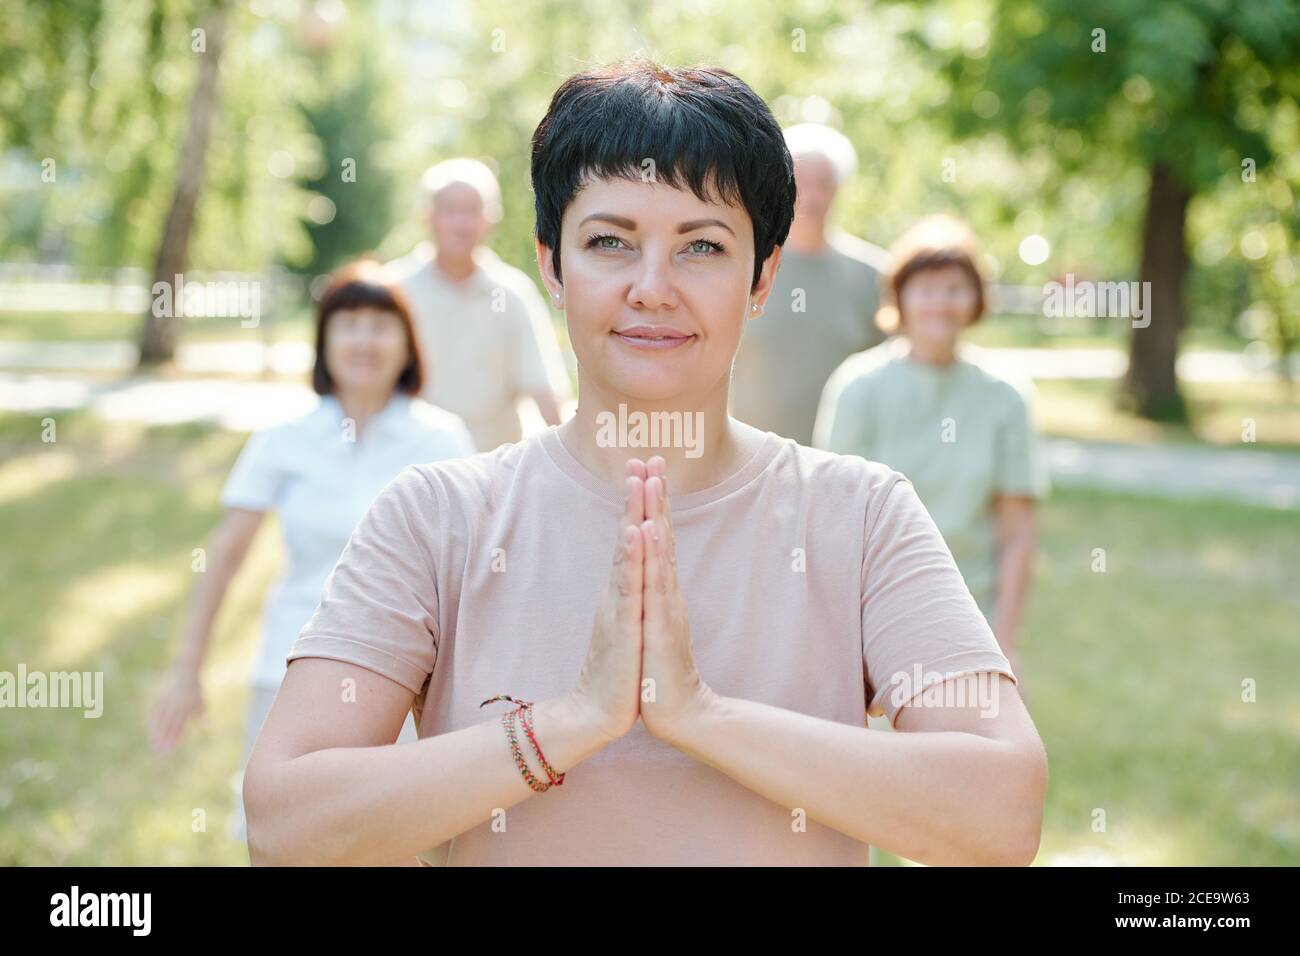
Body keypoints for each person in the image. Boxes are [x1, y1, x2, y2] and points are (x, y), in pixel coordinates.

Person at [244, 60, 1047, 867]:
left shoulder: (860, 514)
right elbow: (286, 829)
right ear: (552, 266)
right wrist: (572, 721)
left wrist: (701, 716)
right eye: (609, 243)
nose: (653, 288)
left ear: (763, 275)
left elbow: (999, 816)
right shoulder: (436, 515)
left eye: (701, 245)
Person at [147, 260, 475, 845]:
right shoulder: (283, 439)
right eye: (347, 324)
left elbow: (471, 573)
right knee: (285, 837)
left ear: (408, 344)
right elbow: (225, 557)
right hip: (289, 668)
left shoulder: (442, 439)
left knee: (391, 839)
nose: (364, 339)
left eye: (381, 324)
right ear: (324, 342)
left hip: (404, 681)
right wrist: (186, 669)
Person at [814, 215, 1050, 686]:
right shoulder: (857, 387)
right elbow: (833, 520)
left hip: (972, 621)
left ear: (976, 299)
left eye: (954, 288)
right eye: (925, 288)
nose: (939, 303)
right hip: (876, 618)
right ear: (899, 296)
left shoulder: (1006, 396)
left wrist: (1004, 642)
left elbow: (1018, 531)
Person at [385, 158, 572, 450]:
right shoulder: (393, 290)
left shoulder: (513, 294)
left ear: (492, 218)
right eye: (450, 210)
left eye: (473, 211)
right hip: (409, 471)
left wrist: (569, 466)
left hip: (489, 476)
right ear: (427, 216)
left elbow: (544, 389)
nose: (462, 223)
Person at [728, 122, 888, 445]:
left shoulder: (874, 276)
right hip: (753, 464)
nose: (811, 197)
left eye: (823, 184)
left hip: (845, 466)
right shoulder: (744, 267)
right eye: (801, 183)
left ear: (838, 190)